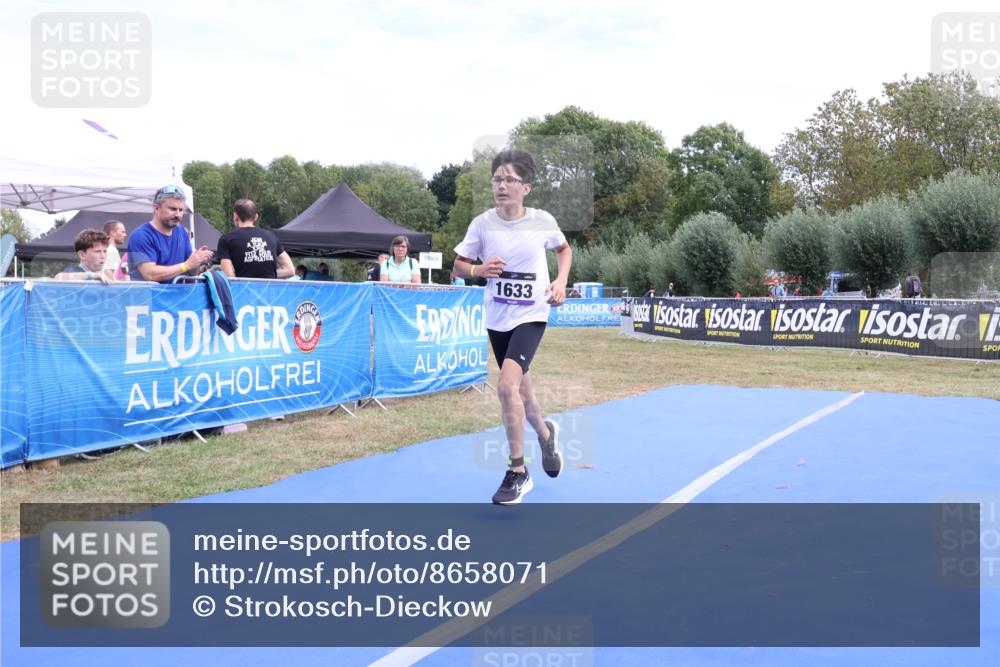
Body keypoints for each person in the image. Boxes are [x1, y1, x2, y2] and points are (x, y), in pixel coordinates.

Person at [453, 149, 572, 505]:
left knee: (506, 386)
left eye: (509, 180)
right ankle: (546, 433)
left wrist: (561, 282)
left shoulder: (541, 221)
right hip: (497, 318)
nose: (501, 186)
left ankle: (518, 472)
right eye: (497, 179)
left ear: (526, 188)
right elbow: (459, 265)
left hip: (533, 313)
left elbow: (564, 251)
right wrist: (478, 270)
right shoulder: (482, 224)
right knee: (524, 394)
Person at [128, 185, 213, 283]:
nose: (178, 214)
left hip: (177, 297)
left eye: (181, 210)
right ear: (157, 208)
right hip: (150, 297)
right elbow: (150, 274)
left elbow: (191, 271)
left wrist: (197, 260)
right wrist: (187, 265)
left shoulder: (181, 231)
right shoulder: (141, 235)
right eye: (173, 209)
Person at [216, 199, 294, 279]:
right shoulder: (271, 237)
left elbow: (229, 277)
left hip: (243, 290)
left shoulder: (226, 239)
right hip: (268, 290)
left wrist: (249, 276)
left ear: (236, 216)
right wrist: (266, 276)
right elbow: (290, 270)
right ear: (256, 216)